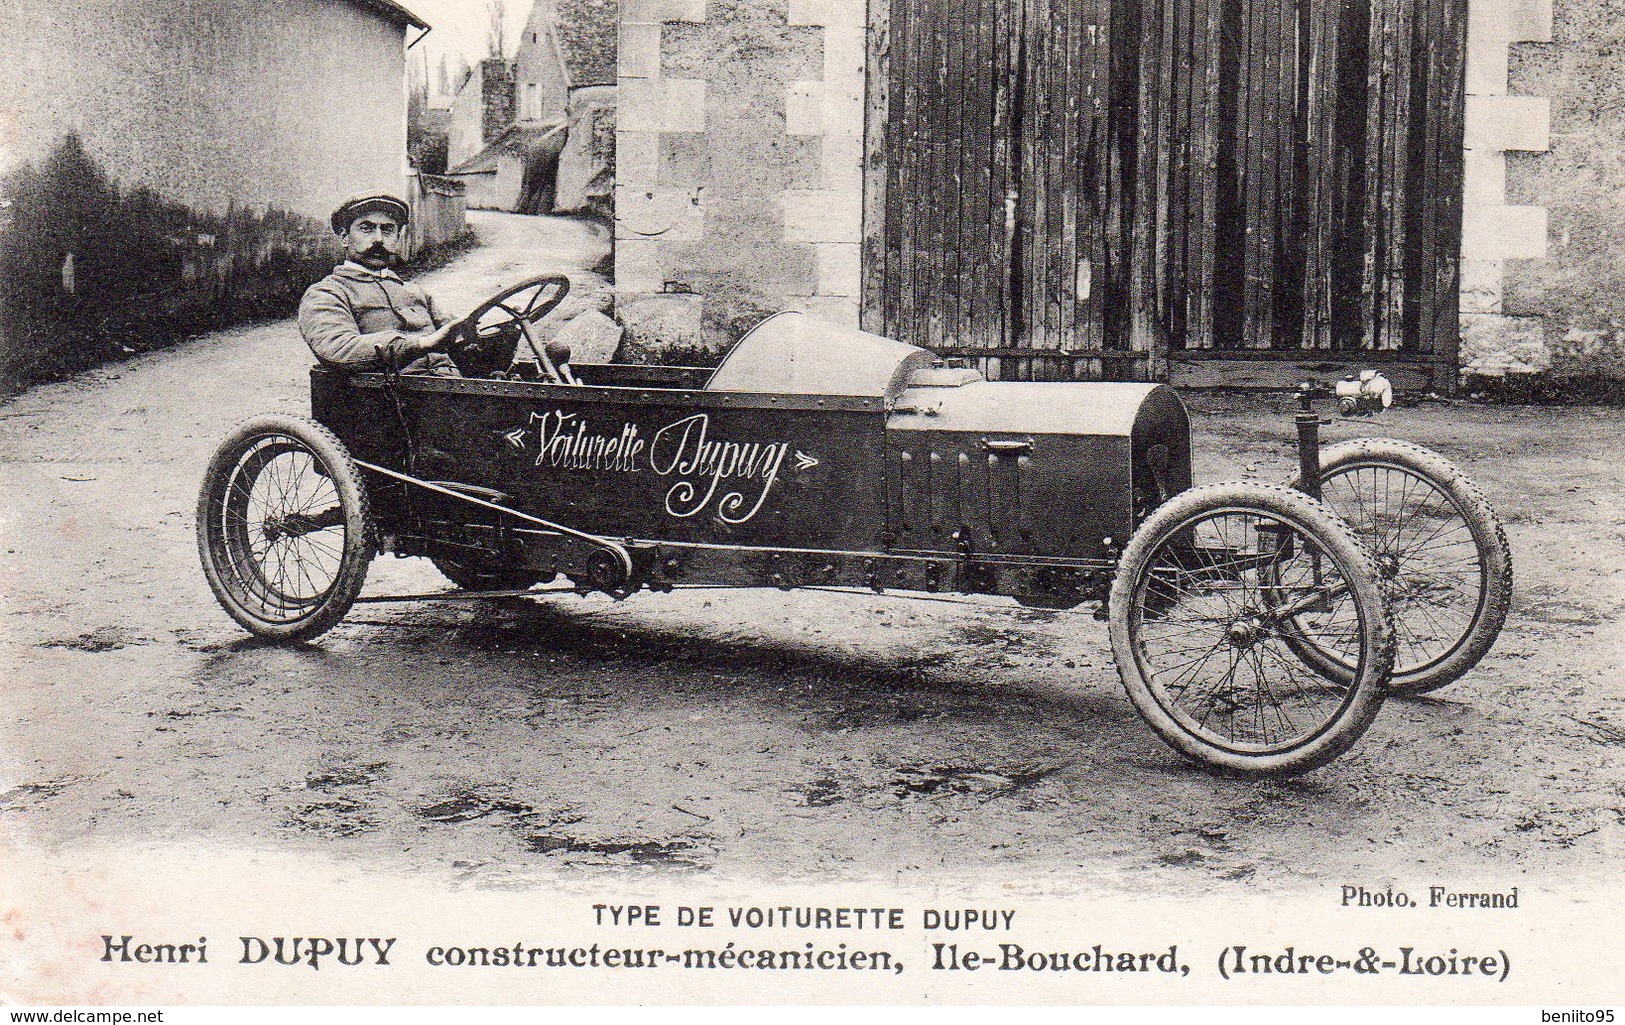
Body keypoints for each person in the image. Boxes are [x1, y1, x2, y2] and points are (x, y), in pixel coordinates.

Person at [297, 194, 461, 376]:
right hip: (387, 398)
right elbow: (338, 348)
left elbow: (456, 335)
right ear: (344, 237)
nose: (379, 239)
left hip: (452, 390)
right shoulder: (327, 293)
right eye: (367, 228)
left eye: (388, 230)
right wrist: (419, 343)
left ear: (398, 239)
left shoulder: (415, 291)